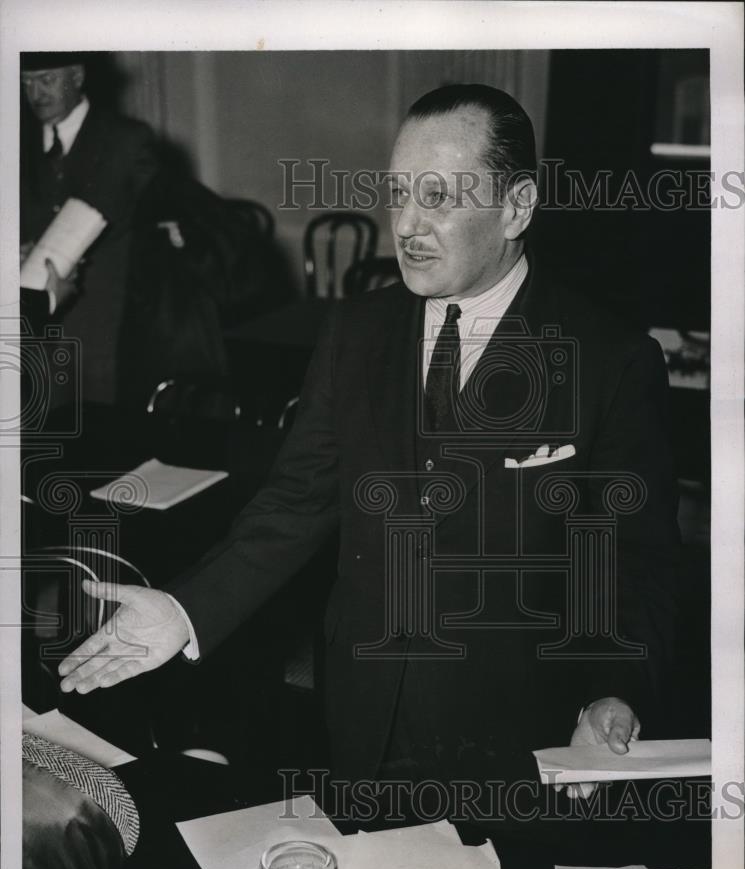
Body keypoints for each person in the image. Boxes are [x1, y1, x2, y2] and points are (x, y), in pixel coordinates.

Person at [58, 85, 679, 814]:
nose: (408, 225)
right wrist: (186, 610)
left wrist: (615, 687)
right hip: (359, 716)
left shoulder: (608, 358)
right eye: (399, 194)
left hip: (516, 731)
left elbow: (633, 561)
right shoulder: (356, 332)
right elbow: (296, 502)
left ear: (515, 207)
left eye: (439, 197)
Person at [20, 52, 158, 405]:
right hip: (33, 337)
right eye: (27, 82)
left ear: (77, 76)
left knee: (105, 445)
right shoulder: (14, 142)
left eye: (47, 79)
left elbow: (153, 228)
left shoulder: (127, 140)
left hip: (106, 330)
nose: (36, 93)